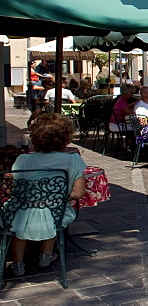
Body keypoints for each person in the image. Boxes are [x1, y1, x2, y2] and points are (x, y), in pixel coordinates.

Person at [7, 114, 87, 276]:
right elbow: (78, 193)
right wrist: (53, 196)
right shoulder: (73, 160)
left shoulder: (22, 159)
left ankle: (18, 264)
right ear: (66, 137)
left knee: (18, 220)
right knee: (53, 214)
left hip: (22, 213)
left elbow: (12, 190)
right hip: (54, 212)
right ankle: (45, 256)